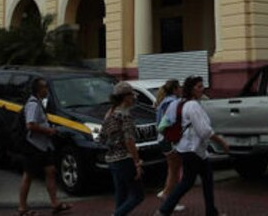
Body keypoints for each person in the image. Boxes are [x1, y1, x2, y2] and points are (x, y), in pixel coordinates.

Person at [156, 76, 230, 216]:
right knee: (188, 182)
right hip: (193, 149)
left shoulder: (182, 103)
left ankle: (210, 211)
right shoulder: (193, 105)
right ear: (191, 89)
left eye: (203, 86)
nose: (202, 89)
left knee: (203, 179)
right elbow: (204, 131)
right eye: (199, 86)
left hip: (191, 149)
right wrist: (222, 142)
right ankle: (164, 210)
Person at [18, 77, 71, 216]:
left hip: (43, 145)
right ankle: (22, 208)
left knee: (51, 171)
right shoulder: (33, 104)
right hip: (33, 145)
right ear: (38, 89)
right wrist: (49, 131)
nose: (47, 90)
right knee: (28, 175)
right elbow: (30, 125)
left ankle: (55, 203)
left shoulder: (39, 103)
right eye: (45, 87)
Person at [98, 81, 145, 216]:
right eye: (132, 95)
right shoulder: (125, 116)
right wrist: (137, 162)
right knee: (137, 195)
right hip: (125, 159)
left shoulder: (109, 114)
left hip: (112, 159)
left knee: (121, 193)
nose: (134, 98)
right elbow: (129, 140)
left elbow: (102, 138)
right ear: (126, 97)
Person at [154, 79, 184, 212]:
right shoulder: (171, 103)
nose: (181, 90)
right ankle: (169, 197)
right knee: (175, 170)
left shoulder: (163, 102)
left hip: (162, 139)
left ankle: (167, 192)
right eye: (179, 87)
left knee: (172, 169)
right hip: (168, 139)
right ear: (175, 89)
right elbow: (171, 121)